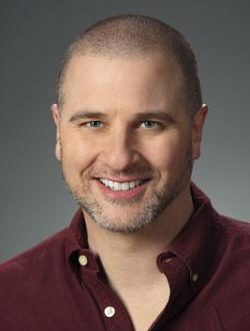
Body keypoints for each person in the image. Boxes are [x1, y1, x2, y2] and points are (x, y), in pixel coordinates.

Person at [0, 14, 249, 331]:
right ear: (59, 132)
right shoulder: (7, 301)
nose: (119, 159)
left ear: (196, 131)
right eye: (93, 123)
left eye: (149, 124)